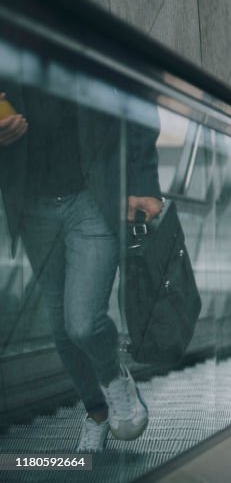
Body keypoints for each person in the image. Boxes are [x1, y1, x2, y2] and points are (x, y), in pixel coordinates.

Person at [0, 65, 162, 453]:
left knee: (83, 323)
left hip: (92, 197)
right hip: (32, 205)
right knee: (60, 326)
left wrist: (143, 182)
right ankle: (97, 413)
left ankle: (114, 379)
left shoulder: (78, 30)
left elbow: (137, 90)